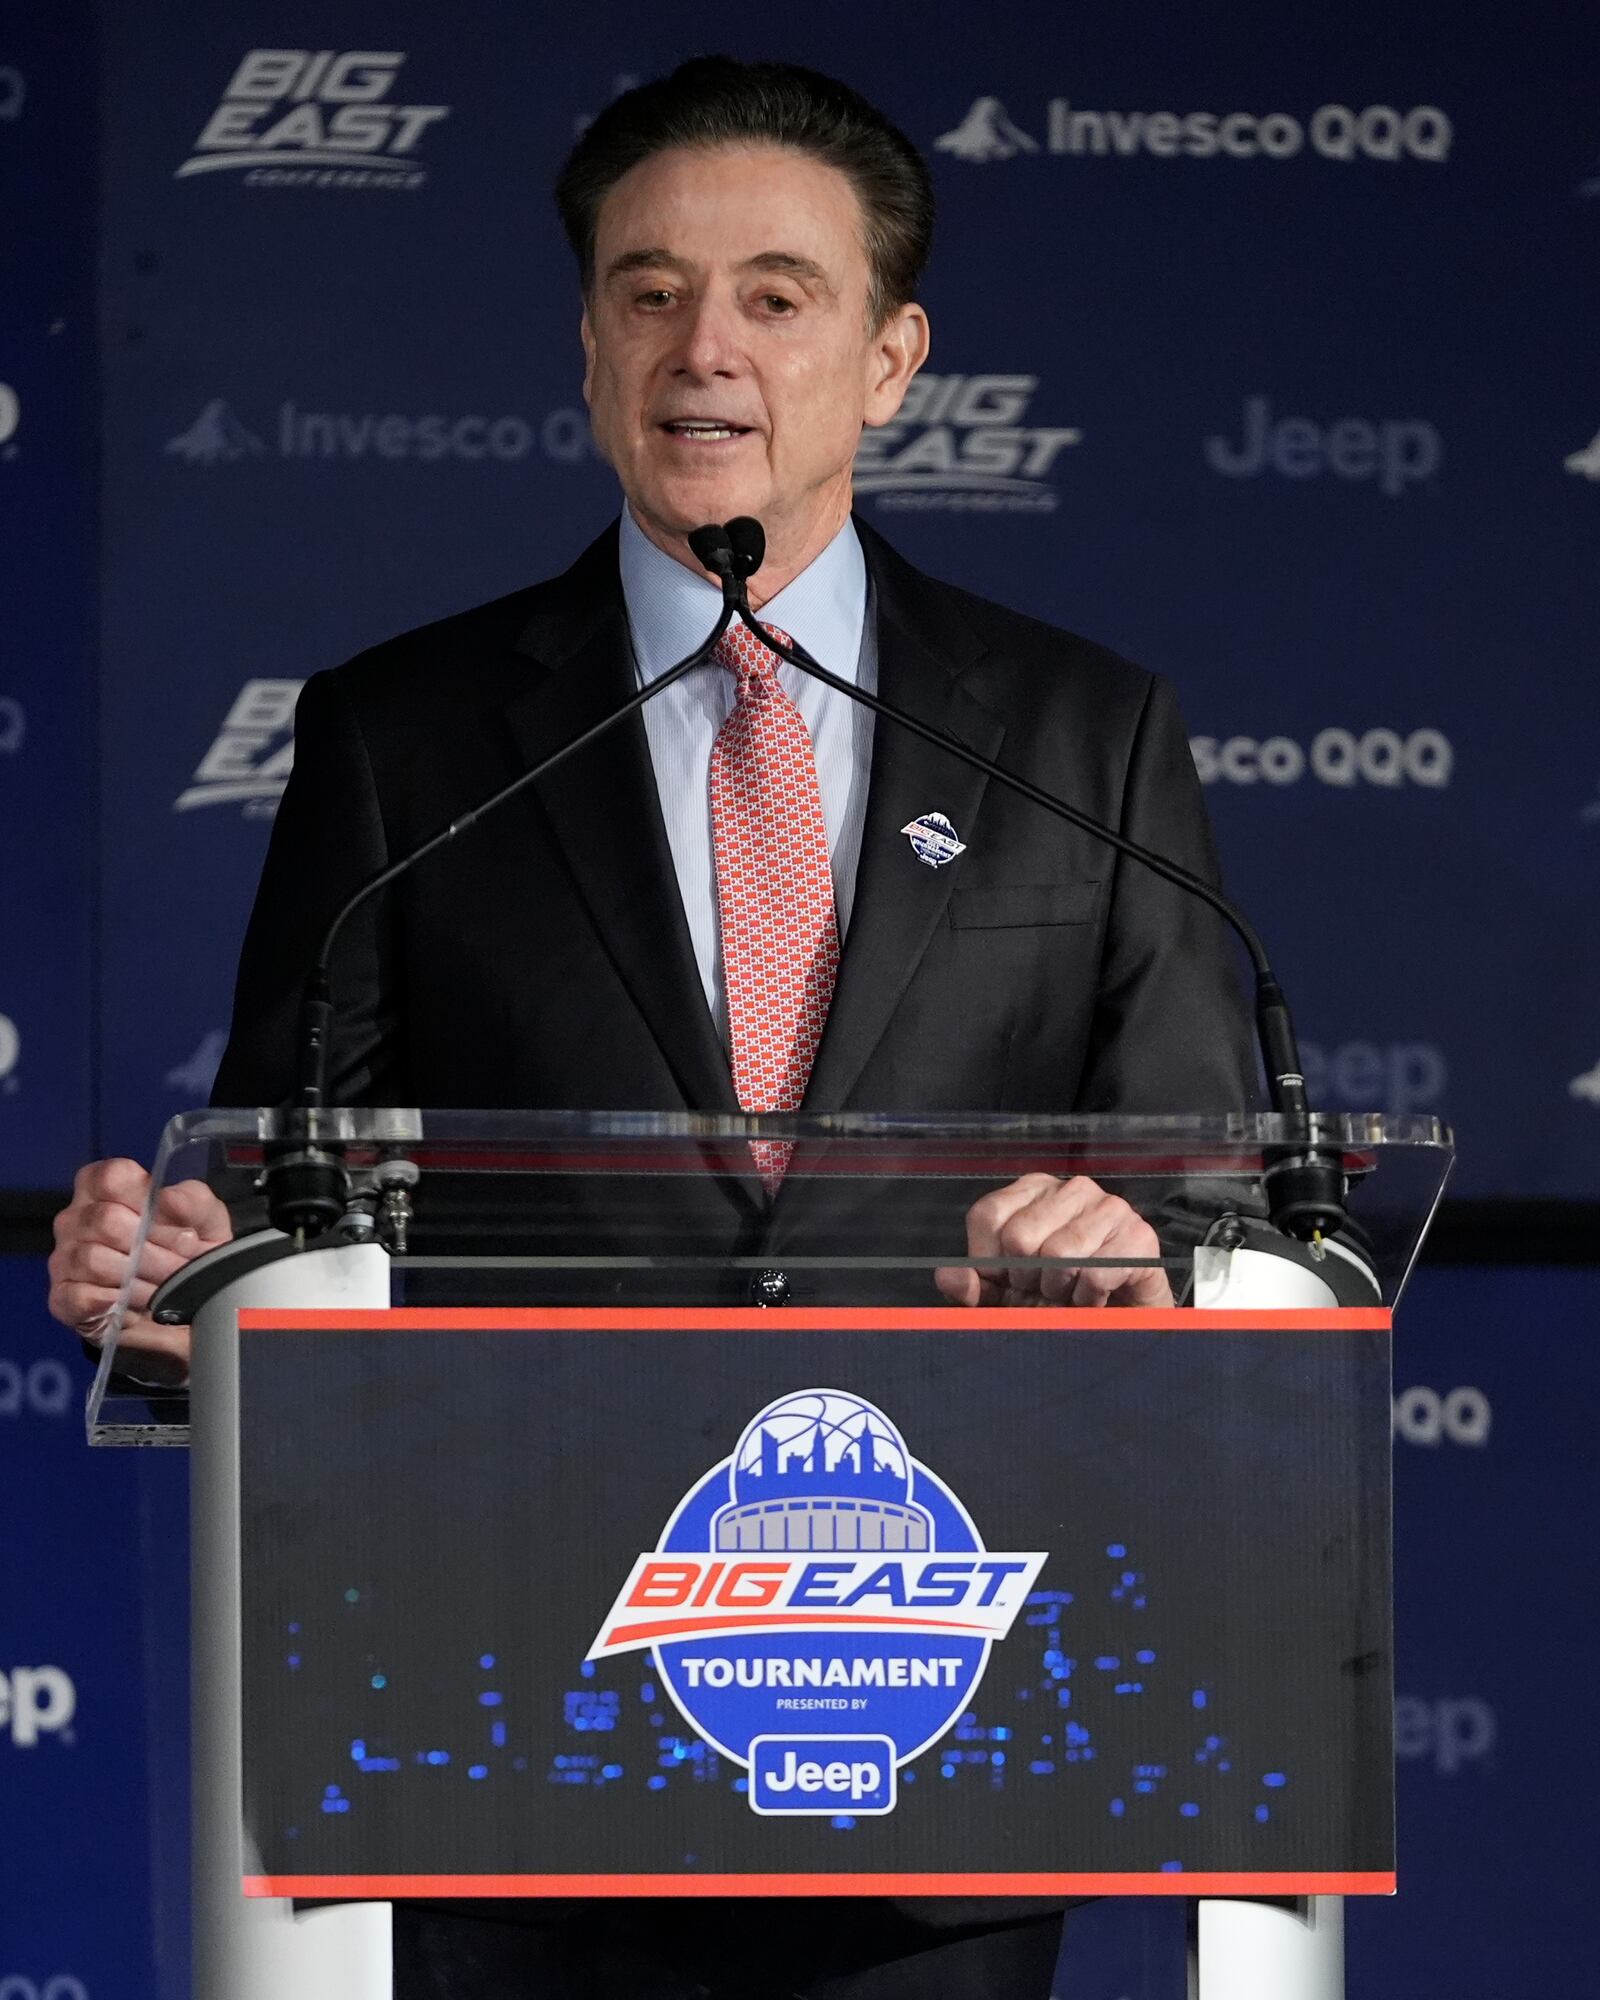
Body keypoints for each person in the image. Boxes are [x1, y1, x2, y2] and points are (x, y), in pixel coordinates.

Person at [50, 56, 1254, 1997]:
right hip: (511, 1732)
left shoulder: (1069, 729)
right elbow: (300, 1190)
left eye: (776, 295)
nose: (705, 348)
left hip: (925, 1724)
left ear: (887, 356)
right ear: (588, 342)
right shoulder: (404, 734)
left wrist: (1150, 1248)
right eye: (647, 291)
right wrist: (199, 1287)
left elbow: (1207, 1191)